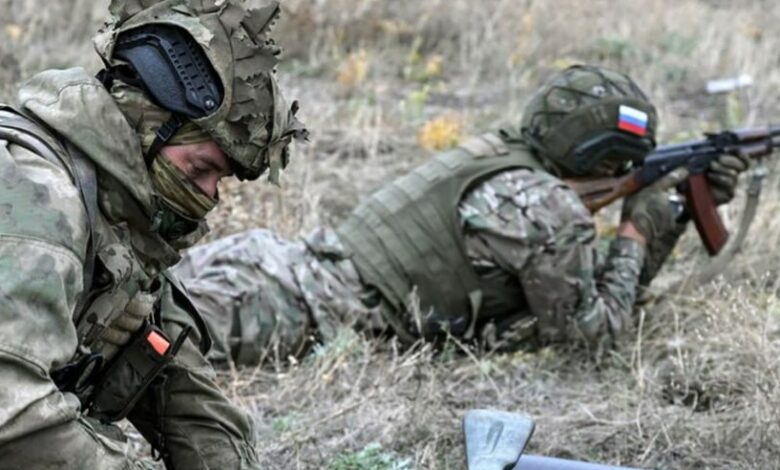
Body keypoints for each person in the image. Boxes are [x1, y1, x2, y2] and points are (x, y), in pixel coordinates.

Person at [172, 65, 748, 367]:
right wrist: (639, 229)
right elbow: (592, 338)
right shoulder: (548, 210)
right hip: (292, 312)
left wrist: (671, 214)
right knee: (141, 344)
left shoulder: (498, 153)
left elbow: (590, 293)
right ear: (602, 158)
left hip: (271, 261)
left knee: (141, 301)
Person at [0, 0, 305, 468]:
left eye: (219, 180)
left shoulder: (119, 225)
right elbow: (12, 414)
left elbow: (188, 399)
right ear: (147, 125)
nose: (209, 196)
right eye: (200, 169)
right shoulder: (38, 202)